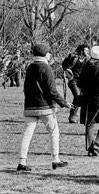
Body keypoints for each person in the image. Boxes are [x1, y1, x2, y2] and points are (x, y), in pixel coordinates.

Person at [17, 43, 73, 171]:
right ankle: (55, 159)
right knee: (53, 132)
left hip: (30, 106)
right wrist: (64, 103)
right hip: (45, 106)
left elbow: (26, 88)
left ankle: (22, 162)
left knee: (27, 134)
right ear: (44, 54)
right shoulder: (46, 68)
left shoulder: (30, 67)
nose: (50, 54)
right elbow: (51, 91)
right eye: (49, 52)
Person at [78, 46, 99, 156]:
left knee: (89, 124)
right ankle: (98, 144)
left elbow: (79, 84)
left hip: (87, 99)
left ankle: (90, 147)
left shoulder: (86, 68)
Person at [62, 44, 90, 123]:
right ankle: (72, 117)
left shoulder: (87, 60)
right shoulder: (74, 58)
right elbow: (64, 66)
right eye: (86, 50)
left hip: (82, 82)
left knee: (83, 98)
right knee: (77, 96)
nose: (88, 52)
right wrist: (68, 74)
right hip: (73, 80)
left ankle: (82, 117)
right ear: (81, 51)